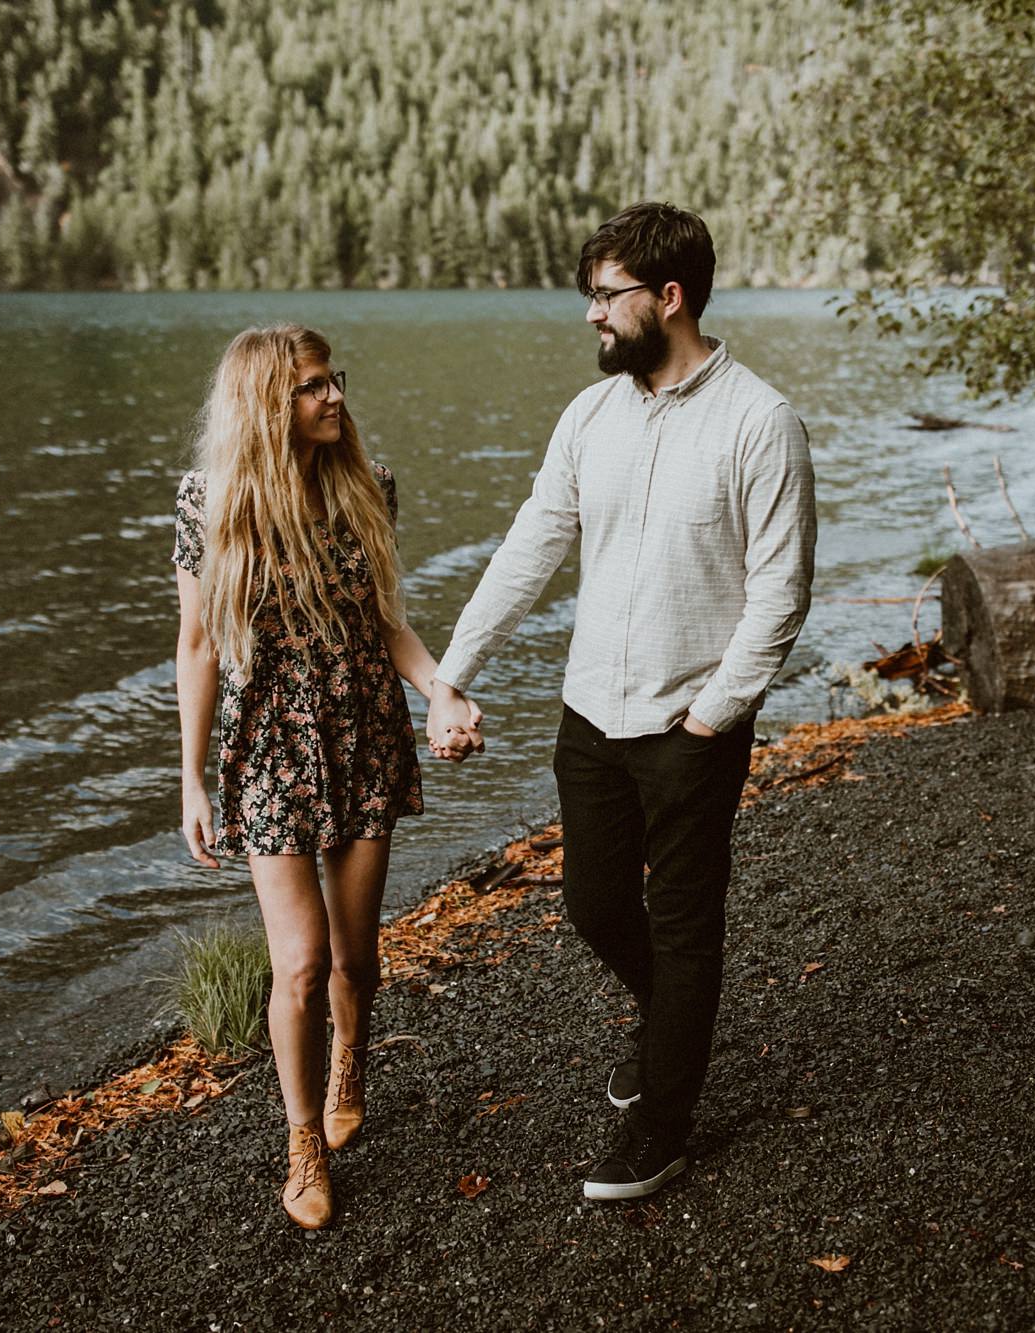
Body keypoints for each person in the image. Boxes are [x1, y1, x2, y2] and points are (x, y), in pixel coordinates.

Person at [428, 203, 816, 1200]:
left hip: (693, 728)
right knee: (595, 905)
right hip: (590, 718)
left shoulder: (759, 422)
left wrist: (709, 718)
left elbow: (778, 595)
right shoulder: (588, 416)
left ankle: (663, 1125)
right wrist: (449, 673)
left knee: (684, 923)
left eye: (605, 297)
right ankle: (669, 1018)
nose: (591, 316)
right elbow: (530, 545)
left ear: (668, 297)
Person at [174, 324, 479, 1230]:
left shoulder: (367, 486)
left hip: (363, 735)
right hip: (267, 750)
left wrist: (442, 693)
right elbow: (194, 644)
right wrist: (190, 780)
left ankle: (352, 1055)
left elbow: (389, 626)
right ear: (267, 404)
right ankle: (303, 1139)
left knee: (356, 956)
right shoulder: (206, 502)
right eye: (312, 387)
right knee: (299, 964)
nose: (334, 397)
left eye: (333, 379)